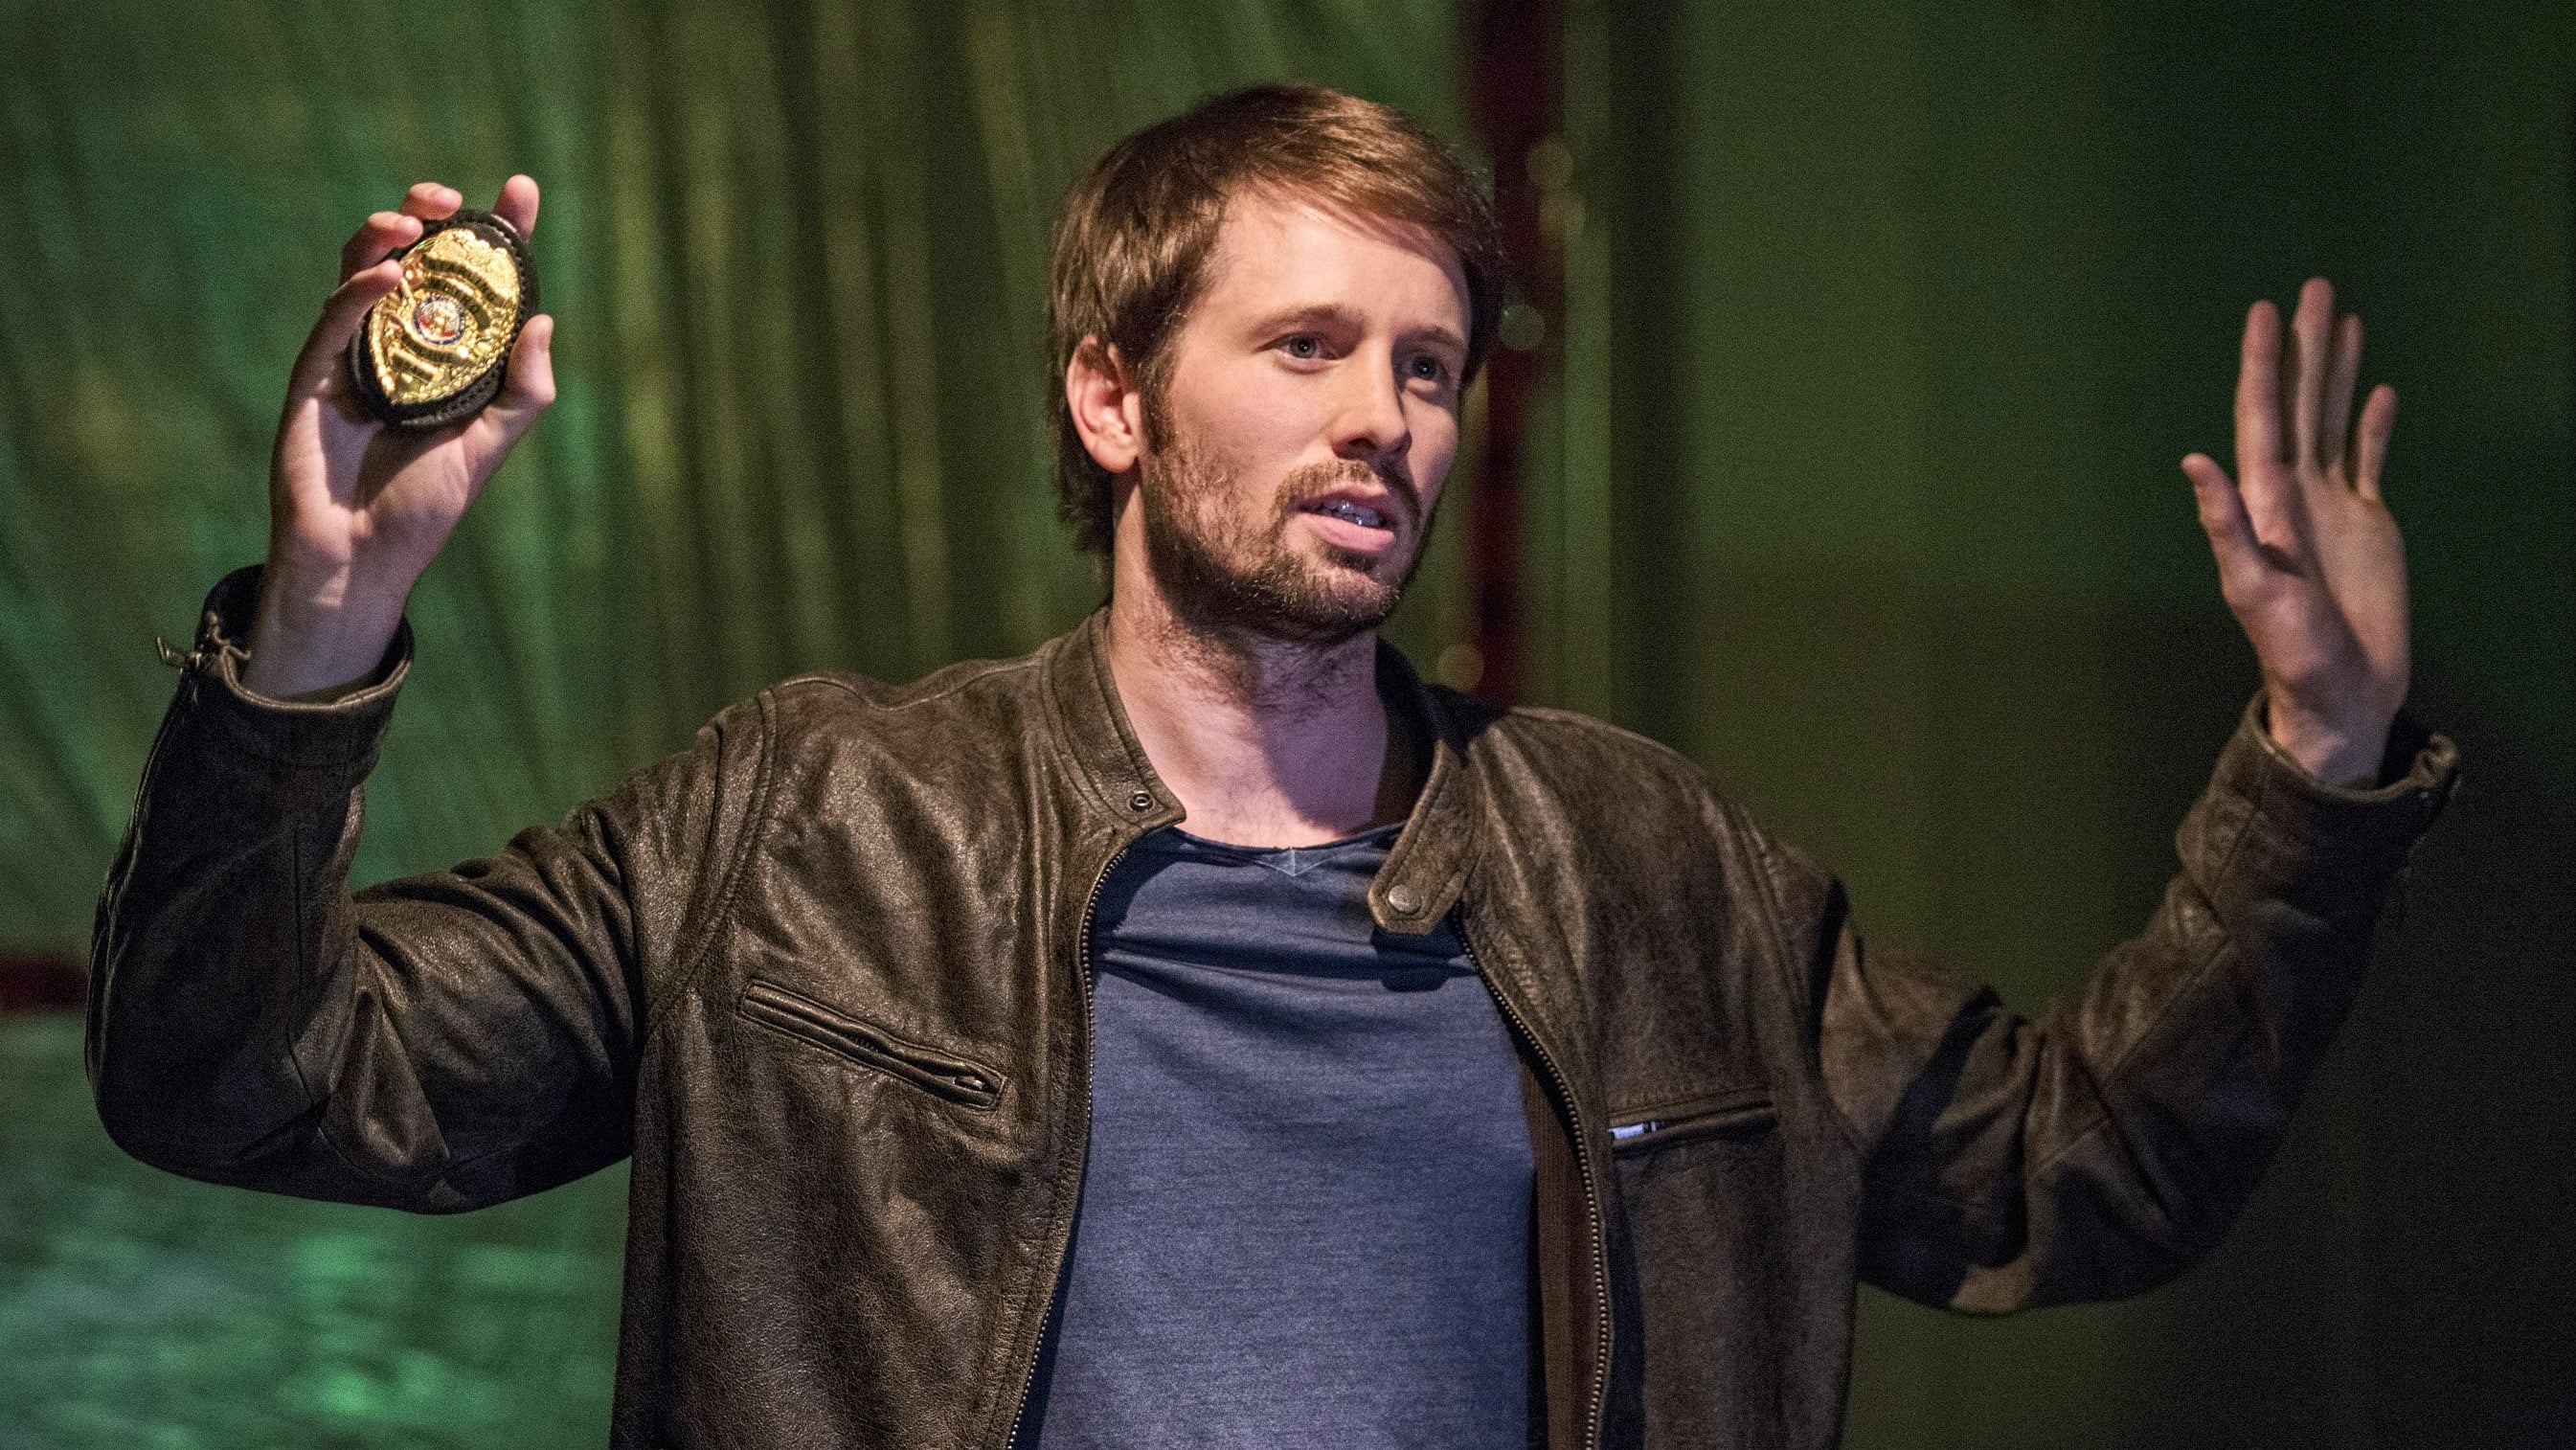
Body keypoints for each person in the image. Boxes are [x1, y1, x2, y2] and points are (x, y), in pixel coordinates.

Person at [89, 85, 2454, 1449]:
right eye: (1307, 344)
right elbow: (238, 1076)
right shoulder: (804, 826)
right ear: (1112, 397)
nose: (1384, 417)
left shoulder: (1645, 865)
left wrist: (2318, 751)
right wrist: (324, 621)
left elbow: (2074, 1173)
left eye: (1427, 363)